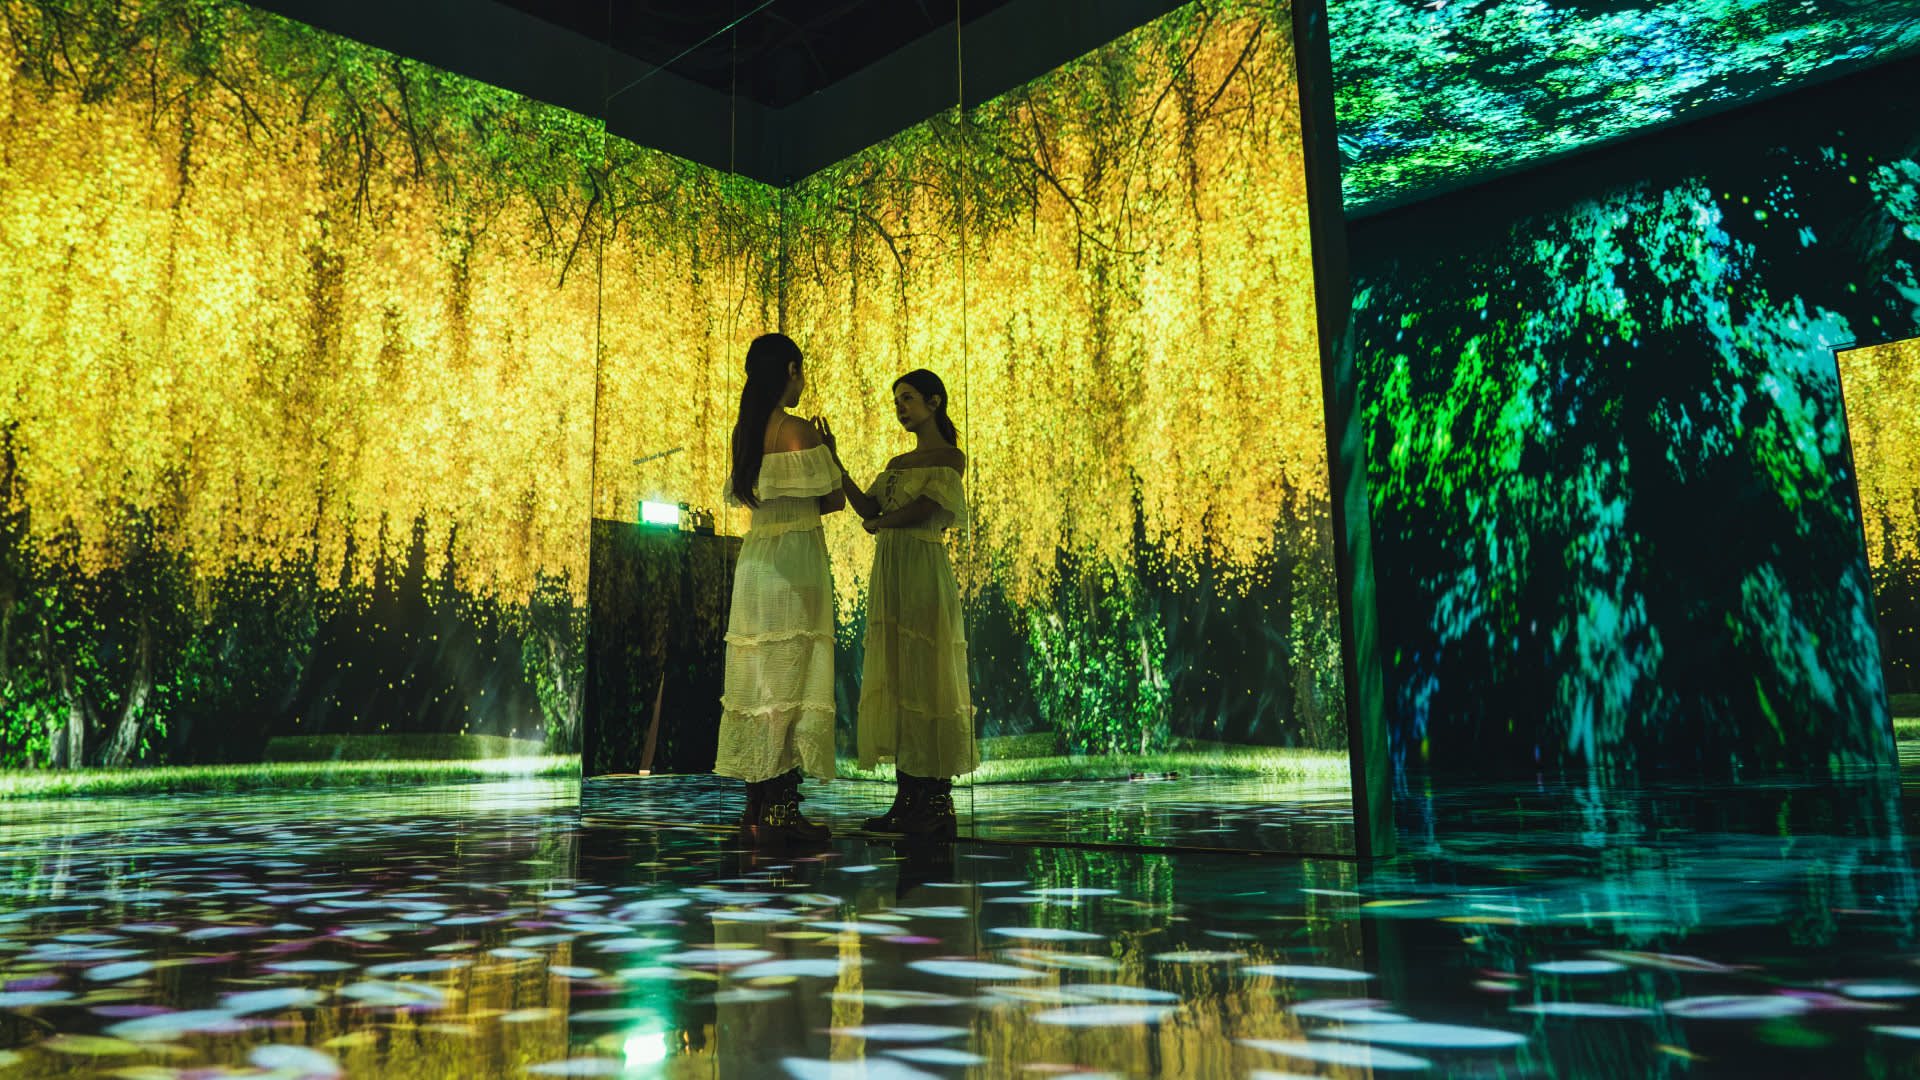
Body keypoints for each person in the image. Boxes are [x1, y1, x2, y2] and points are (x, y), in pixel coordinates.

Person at [821, 369, 977, 838]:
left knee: (927, 677)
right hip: (892, 572)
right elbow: (870, 509)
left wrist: (882, 524)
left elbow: (926, 508)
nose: (901, 408)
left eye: (908, 398)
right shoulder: (896, 462)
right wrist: (836, 463)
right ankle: (908, 799)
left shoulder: (950, 457)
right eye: (897, 401)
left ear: (934, 402)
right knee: (899, 676)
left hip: (922, 570)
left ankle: (936, 801)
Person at [714, 333, 844, 844]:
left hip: (756, 564)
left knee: (760, 683)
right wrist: (831, 453)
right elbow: (832, 501)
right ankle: (782, 813)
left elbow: (750, 496)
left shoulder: (744, 433)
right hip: (795, 564)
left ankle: (757, 805)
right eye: (801, 371)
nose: (802, 382)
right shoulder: (799, 431)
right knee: (794, 677)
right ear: (791, 369)